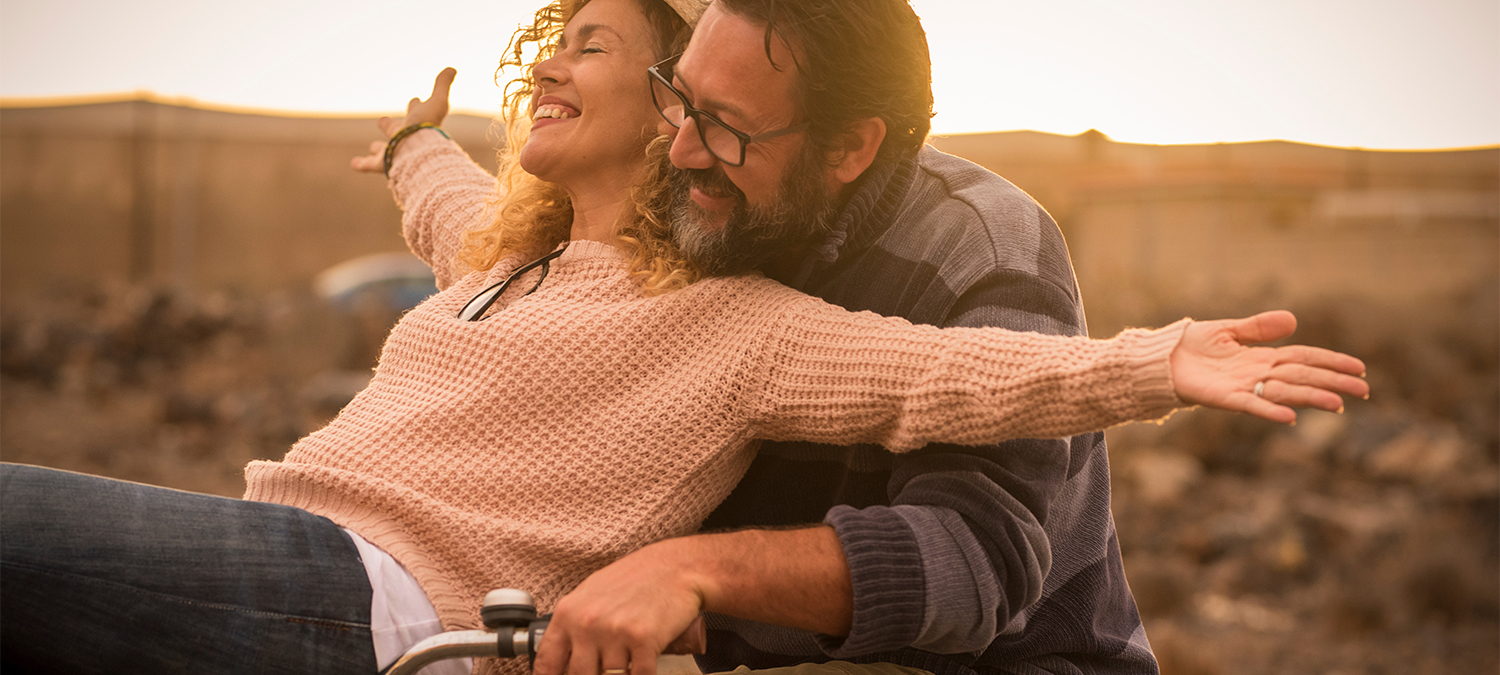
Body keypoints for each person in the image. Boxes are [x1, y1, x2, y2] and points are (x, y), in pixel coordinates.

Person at [0, 1, 1367, 674]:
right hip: (308, 548)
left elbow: (954, 412)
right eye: (675, 98)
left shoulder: (772, 310)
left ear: (847, 153)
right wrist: (417, 138)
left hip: (958, 661)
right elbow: (447, 202)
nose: (681, 136)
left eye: (712, 121)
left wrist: (1152, 363)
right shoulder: (529, 252)